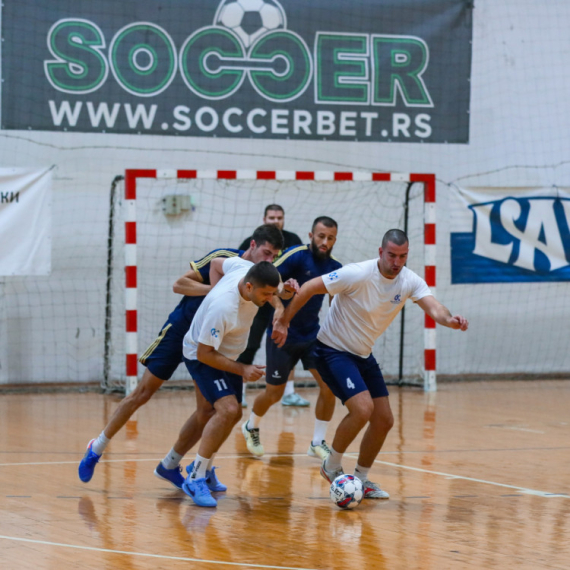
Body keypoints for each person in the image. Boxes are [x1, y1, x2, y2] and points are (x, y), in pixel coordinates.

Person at [78, 224, 284, 486]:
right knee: (142, 393)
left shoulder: (257, 278)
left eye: (273, 256)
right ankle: (97, 447)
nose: (269, 260)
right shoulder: (228, 260)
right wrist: (214, 290)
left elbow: (274, 292)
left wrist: (279, 309)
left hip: (210, 341)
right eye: (266, 253)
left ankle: (190, 466)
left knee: (211, 412)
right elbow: (179, 284)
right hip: (181, 330)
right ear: (253, 246)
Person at [272, 229, 469, 500]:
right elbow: (308, 288)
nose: (396, 262)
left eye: (402, 256)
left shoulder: (409, 280)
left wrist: (450, 320)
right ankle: (331, 467)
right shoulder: (358, 273)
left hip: (362, 354)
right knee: (362, 409)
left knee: (384, 419)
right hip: (331, 350)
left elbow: (435, 308)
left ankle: (361, 478)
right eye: (391, 255)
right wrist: (283, 320)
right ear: (380, 252)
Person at [174, 258, 287, 507]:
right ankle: (194, 478)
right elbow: (204, 354)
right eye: (265, 294)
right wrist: (243, 369)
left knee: (232, 414)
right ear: (248, 287)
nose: (269, 299)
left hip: (226, 354)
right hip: (202, 355)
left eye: (272, 294)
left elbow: (215, 263)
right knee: (228, 409)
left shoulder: (244, 267)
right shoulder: (222, 306)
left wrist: (282, 295)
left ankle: (200, 466)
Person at [241, 216, 342, 461]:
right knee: (274, 394)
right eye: (321, 236)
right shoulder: (296, 256)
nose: (324, 242)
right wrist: (278, 310)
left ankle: (317, 442)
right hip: (282, 336)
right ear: (311, 236)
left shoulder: (336, 268)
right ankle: (251, 425)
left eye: (330, 238)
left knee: (329, 387)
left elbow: (336, 301)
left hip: (312, 336)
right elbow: (269, 281)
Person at [238, 204, 308, 407]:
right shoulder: (251, 243)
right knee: (249, 345)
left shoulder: (293, 240)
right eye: (271, 217)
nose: (275, 221)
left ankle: (289, 392)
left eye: (279, 217)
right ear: (264, 219)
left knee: (288, 345)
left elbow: (302, 272)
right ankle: (240, 391)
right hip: (257, 304)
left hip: (286, 304)